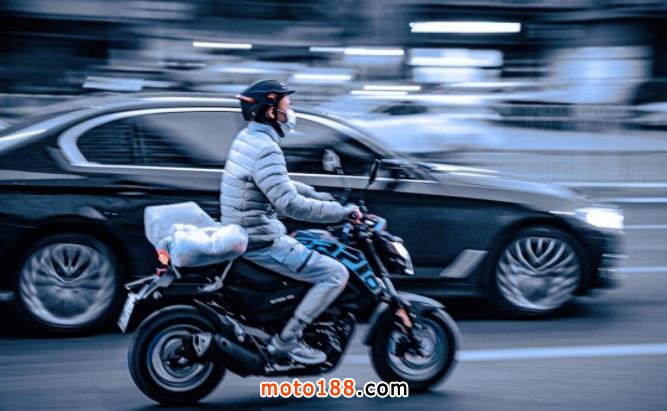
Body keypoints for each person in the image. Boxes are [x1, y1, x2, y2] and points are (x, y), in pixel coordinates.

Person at [220, 79, 362, 365]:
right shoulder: (266, 148)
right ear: (271, 111)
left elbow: (276, 183)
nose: (291, 111)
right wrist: (341, 213)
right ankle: (287, 341)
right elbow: (289, 204)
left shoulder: (248, 138)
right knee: (335, 273)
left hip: (244, 228)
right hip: (260, 239)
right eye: (288, 105)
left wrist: (316, 194)